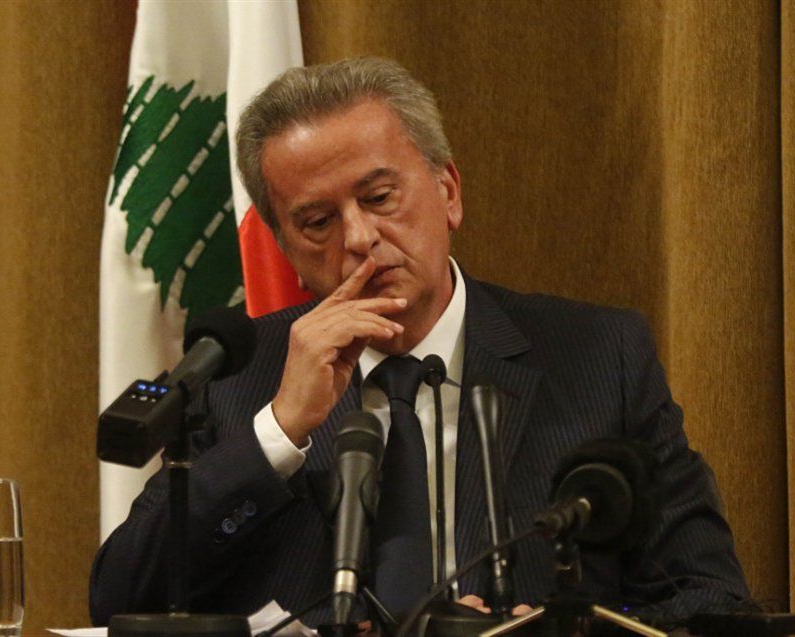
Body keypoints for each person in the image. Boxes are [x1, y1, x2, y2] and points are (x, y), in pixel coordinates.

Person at [90, 57, 749, 628]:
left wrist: (561, 633)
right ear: (286, 249)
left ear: (447, 192)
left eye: (379, 197)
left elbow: (710, 600)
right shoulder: (239, 379)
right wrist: (281, 430)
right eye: (317, 221)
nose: (358, 238)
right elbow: (120, 600)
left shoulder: (599, 357)